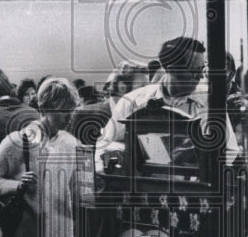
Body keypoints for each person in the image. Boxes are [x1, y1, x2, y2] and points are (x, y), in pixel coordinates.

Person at [0, 77, 81, 237]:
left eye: (72, 110)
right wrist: (16, 185)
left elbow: (76, 192)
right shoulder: (16, 142)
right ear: (46, 108)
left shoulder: (72, 144)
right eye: (63, 111)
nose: (69, 117)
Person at [97, 36, 239, 166]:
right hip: (145, 186)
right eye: (194, 71)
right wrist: (129, 152)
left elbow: (230, 149)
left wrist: (203, 165)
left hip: (194, 187)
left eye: (202, 69)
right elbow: (105, 143)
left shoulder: (211, 102)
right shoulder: (132, 102)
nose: (200, 76)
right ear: (172, 69)